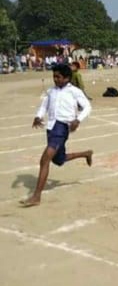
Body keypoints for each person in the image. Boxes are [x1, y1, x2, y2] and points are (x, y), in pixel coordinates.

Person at [20, 63, 93, 207]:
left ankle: (36, 196)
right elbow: (44, 106)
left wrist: (78, 120)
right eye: (54, 76)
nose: (55, 79)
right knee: (59, 160)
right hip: (51, 128)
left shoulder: (74, 91)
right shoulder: (51, 91)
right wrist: (38, 116)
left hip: (62, 128)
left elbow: (87, 107)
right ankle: (86, 153)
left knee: (45, 160)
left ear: (67, 78)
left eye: (58, 77)